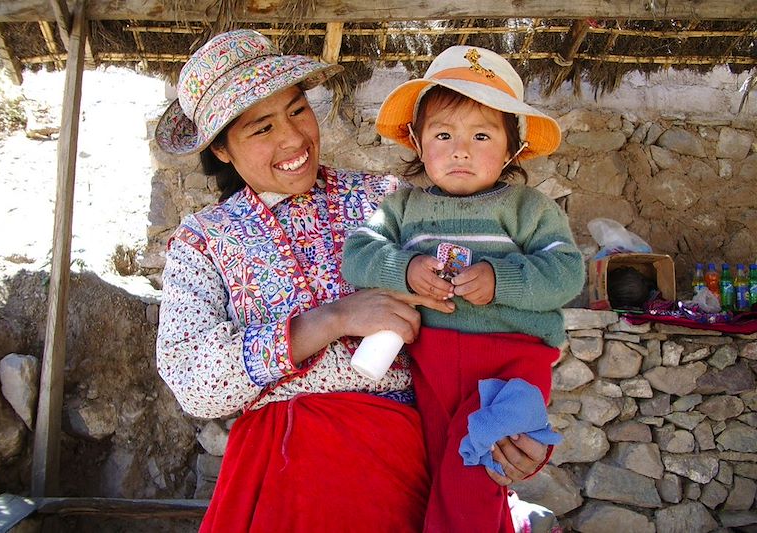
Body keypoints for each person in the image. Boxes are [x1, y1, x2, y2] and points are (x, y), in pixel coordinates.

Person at [155, 29, 553, 533]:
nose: (294, 138)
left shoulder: (388, 201)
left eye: (298, 110)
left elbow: (487, 322)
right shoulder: (203, 241)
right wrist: (333, 318)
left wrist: (512, 426)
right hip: (275, 479)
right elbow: (195, 384)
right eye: (261, 128)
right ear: (222, 151)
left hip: (400, 468)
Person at [342, 45, 585, 533]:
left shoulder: (530, 210)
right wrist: (405, 269)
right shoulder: (400, 209)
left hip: (512, 358)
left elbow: (566, 273)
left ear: (512, 147)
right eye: (443, 134)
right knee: (445, 466)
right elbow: (358, 256)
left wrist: (500, 279)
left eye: (481, 135)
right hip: (432, 360)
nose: (460, 150)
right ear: (416, 140)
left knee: (473, 468)